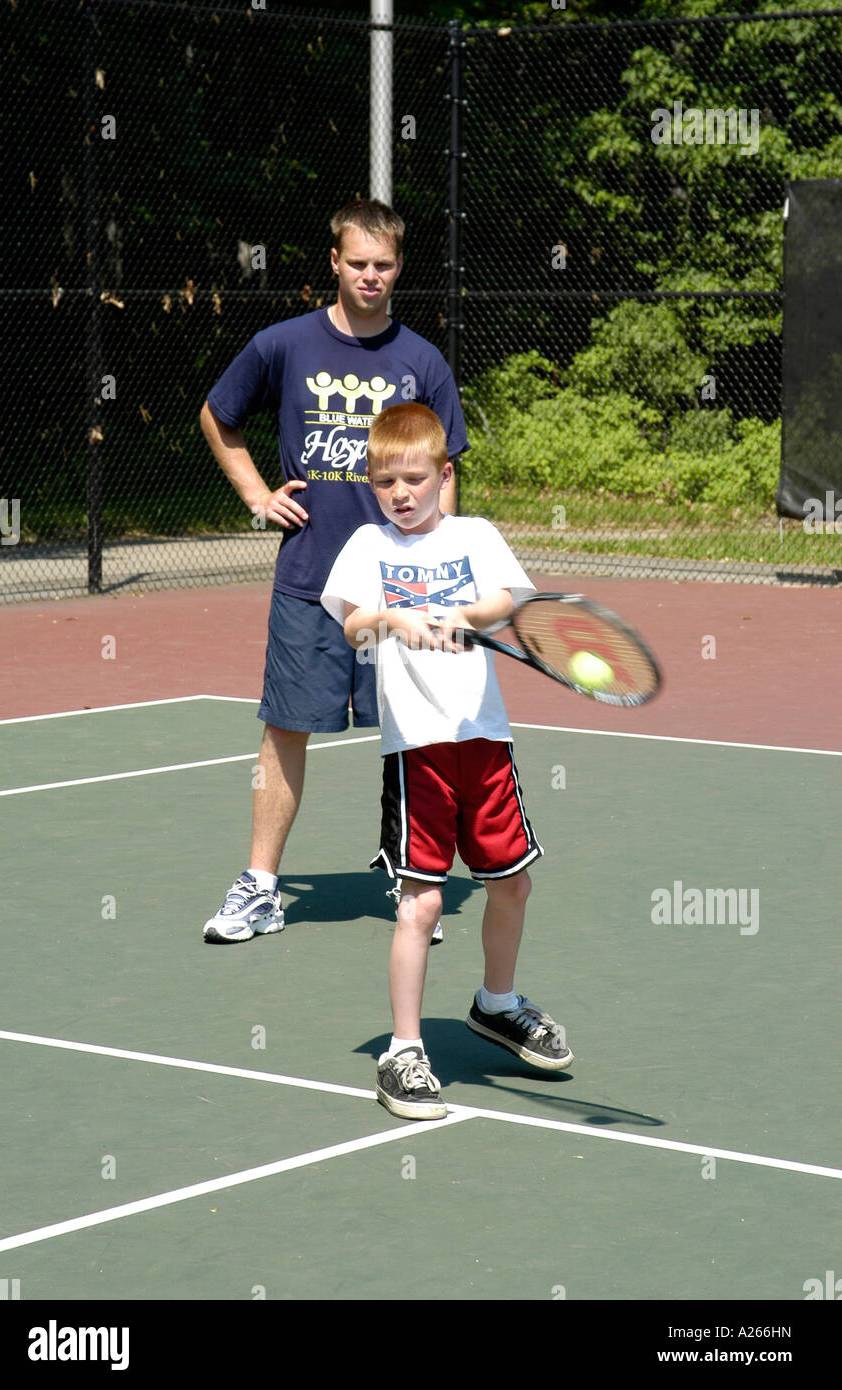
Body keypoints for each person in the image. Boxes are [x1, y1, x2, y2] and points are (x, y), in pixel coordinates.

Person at [199, 200, 468, 943]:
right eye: (358, 263)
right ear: (335, 263)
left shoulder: (423, 361)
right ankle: (259, 887)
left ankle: (414, 880)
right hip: (311, 579)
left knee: (413, 733)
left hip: (402, 586)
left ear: (399, 267)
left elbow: (446, 472)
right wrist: (256, 494)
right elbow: (218, 414)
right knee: (285, 727)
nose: (371, 276)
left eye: (383, 265)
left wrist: (444, 567)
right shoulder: (282, 345)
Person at [321, 401, 574, 1120]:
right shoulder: (369, 549)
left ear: (444, 473)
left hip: (485, 743)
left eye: (414, 478)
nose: (400, 493)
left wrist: (461, 617)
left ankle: (496, 1004)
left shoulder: (475, 535)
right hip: (418, 754)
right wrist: (394, 619)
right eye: (384, 482)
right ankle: (402, 1051)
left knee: (513, 885)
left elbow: (505, 598)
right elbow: (350, 626)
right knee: (421, 901)